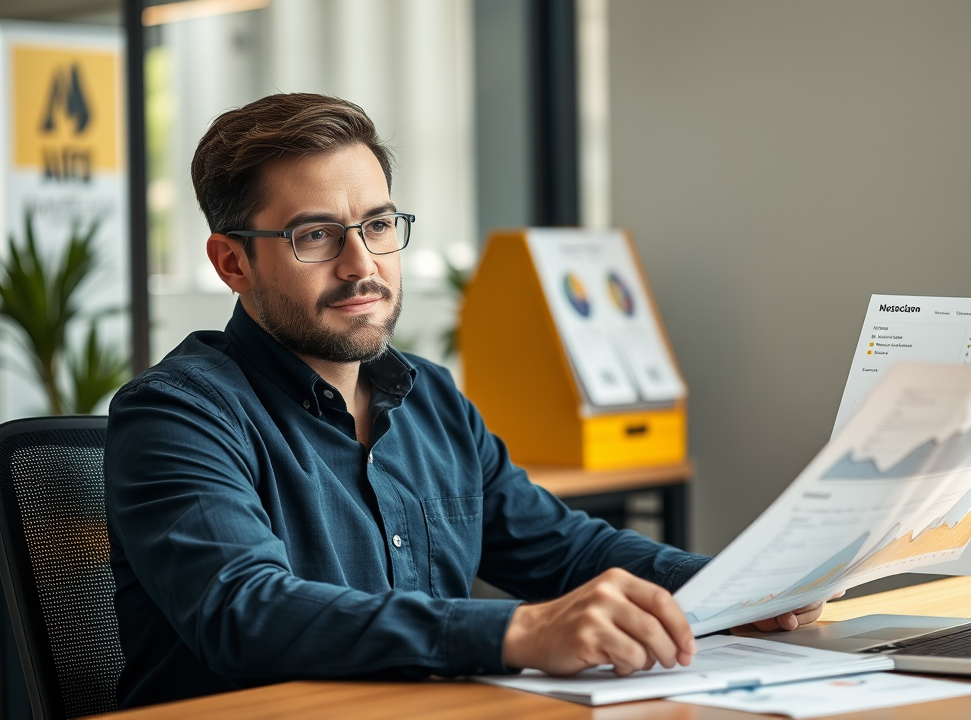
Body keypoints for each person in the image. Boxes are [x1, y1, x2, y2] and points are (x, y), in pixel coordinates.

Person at [104, 93, 831, 709]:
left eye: (379, 225)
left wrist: (735, 588)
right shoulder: (177, 415)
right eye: (316, 235)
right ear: (232, 262)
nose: (363, 266)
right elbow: (245, 611)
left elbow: (561, 549)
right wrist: (517, 634)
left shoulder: (430, 399)